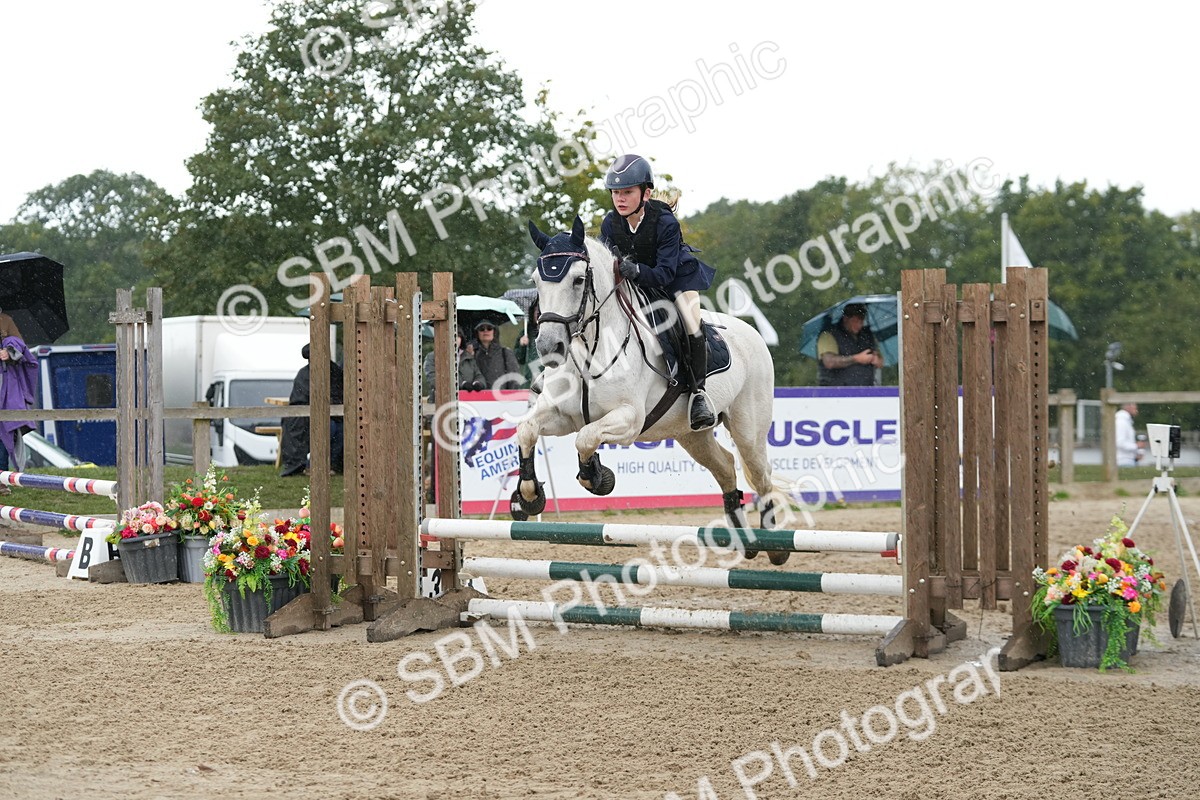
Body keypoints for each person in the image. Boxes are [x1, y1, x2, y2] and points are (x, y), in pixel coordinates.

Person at [600, 154, 717, 430]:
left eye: (627, 192)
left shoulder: (665, 223)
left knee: (691, 322)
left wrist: (636, 270)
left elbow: (664, 274)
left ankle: (698, 393)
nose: (620, 199)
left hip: (676, 278)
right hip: (635, 280)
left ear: (646, 193)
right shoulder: (610, 223)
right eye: (615, 192)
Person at [279, 344, 344, 477]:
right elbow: (301, 399)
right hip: (305, 417)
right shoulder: (304, 374)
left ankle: (331, 463)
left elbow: (339, 393)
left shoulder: (334, 371)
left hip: (333, 414)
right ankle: (313, 465)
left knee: (341, 428)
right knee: (327, 427)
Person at [0, 323, 37, 485]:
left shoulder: (10, 342)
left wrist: (9, 353)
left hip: (7, 407)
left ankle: (2, 482)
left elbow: (18, 349)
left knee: (4, 441)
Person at [817, 303, 882, 386]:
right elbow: (829, 362)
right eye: (855, 321)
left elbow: (880, 361)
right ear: (845, 319)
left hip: (866, 389)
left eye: (861, 321)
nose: (859, 325)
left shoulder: (867, 335)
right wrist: (856, 358)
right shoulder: (828, 335)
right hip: (836, 390)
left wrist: (876, 359)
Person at [469, 320, 520, 391]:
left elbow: (514, 380)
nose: (485, 331)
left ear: (494, 332)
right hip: (478, 397)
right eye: (481, 329)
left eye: (489, 328)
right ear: (477, 333)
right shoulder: (472, 354)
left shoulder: (505, 353)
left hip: (501, 396)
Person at [514, 299, 543, 391]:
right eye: (536, 311)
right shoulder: (526, 332)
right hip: (529, 380)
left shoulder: (552, 332)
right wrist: (522, 346)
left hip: (547, 379)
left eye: (540, 310)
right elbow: (519, 359)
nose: (538, 313)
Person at [1115, 402, 1142, 467]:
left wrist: (1136, 454)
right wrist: (1136, 446)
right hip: (1123, 461)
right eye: (1134, 406)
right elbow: (1119, 443)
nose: (1136, 408)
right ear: (1128, 407)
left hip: (1126, 460)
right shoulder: (1121, 422)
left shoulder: (1125, 421)